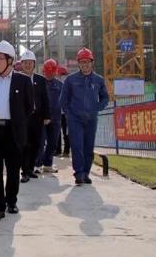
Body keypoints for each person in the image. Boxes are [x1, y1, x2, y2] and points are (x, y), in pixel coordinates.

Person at [0, 40, 33, 223]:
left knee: (13, 170)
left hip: (13, 131)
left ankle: (11, 201)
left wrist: (17, 121)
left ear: (10, 60)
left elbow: (29, 107)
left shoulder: (23, 81)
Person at [60, 48, 109, 185]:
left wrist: (97, 107)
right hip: (75, 119)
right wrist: (69, 114)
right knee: (77, 146)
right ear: (78, 63)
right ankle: (79, 173)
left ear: (92, 62)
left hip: (91, 119)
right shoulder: (70, 80)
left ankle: (86, 173)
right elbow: (63, 100)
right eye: (82, 62)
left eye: (87, 62)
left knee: (88, 147)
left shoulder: (99, 80)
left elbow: (105, 97)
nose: (85, 64)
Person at [19, 51, 50, 183]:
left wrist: (47, 116)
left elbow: (45, 99)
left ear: (34, 64)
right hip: (22, 118)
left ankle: (31, 169)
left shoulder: (40, 80)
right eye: (25, 63)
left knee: (36, 144)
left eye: (30, 63)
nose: (28, 65)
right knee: (25, 145)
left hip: (37, 117)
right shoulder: (17, 79)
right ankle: (24, 171)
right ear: (21, 64)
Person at [35, 59, 63, 173]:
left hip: (56, 118)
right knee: (40, 142)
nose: (49, 74)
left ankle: (48, 164)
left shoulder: (60, 85)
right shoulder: (39, 83)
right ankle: (37, 164)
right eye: (47, 72)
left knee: (53, 142)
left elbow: (65, 100)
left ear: (55, 72)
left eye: (51, 72)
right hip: (41, 118)